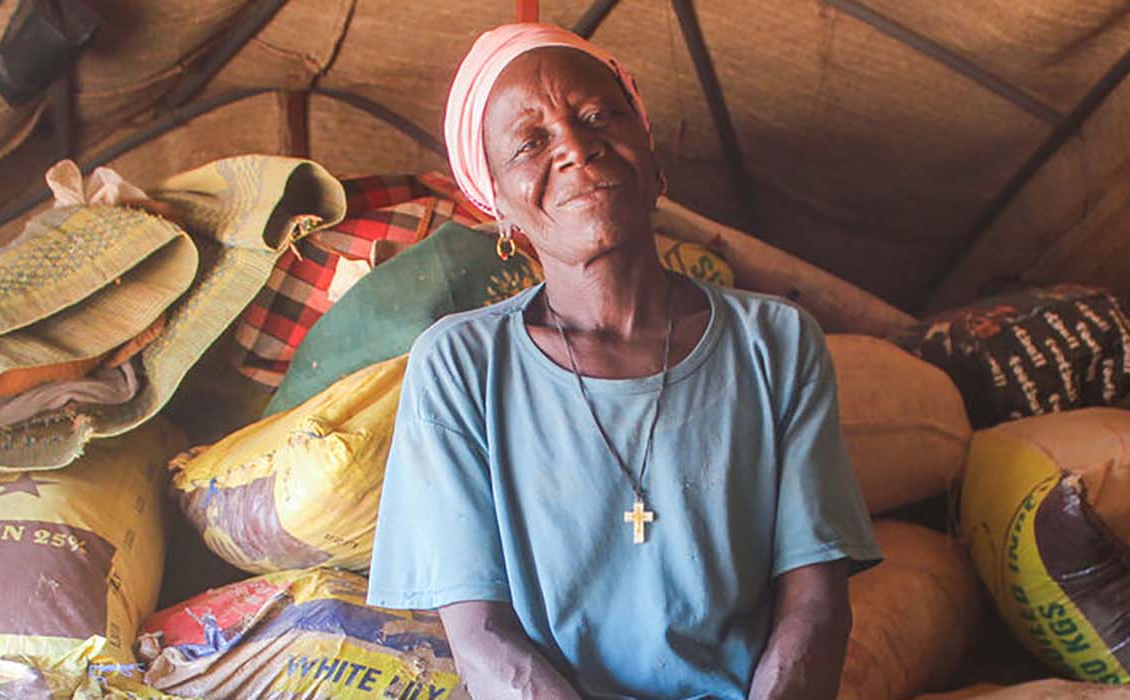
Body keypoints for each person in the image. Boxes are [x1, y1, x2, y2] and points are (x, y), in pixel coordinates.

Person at [365, 22, 881, 700]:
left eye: (596, 116)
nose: (576, 148)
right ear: (499, 208)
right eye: (532, 141)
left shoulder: (776, 342)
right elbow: (481, 635)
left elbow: (814, 605)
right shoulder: (460, 366)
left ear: (649, 150)